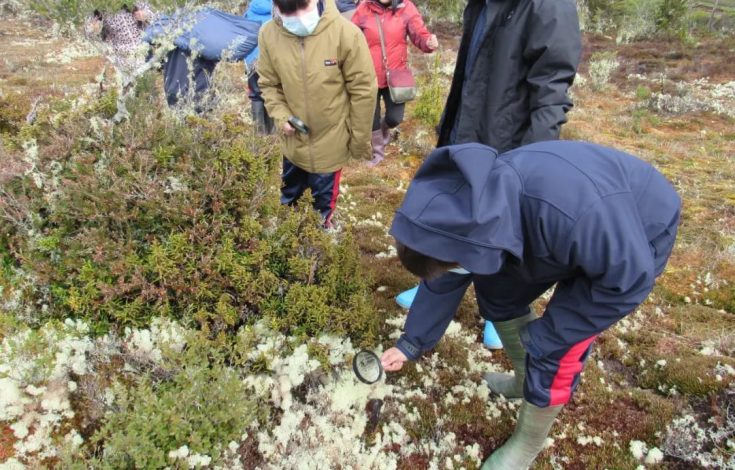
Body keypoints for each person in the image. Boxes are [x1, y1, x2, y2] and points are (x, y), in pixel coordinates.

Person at [382, 141, 681, 468]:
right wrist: (411, 343)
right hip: (556, 224)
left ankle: (527, 443)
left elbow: (626, 282)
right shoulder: (467, 212)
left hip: (633, 231)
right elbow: (447, 274)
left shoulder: (581, 221)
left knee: (557, 345)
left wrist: (547, 337)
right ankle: (523, 381)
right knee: (497, 292)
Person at [394, 0, 582, 350]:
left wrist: (530, 167)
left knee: (501, 230)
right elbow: (472, 73)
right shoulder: (481, 3)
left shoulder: (549, 7)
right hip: (463, 134)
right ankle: (434, 288)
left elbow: (551, 95)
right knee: (453, 218)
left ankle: (503, 310)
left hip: (508, 147)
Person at [257, 0, 377, 228]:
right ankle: (288, 239)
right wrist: (282, 117)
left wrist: (358, 141)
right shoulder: (268, 34)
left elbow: (363, 91)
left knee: (322, 206)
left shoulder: (346, 34)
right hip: (293, 142)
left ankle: (320, 240)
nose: (298, 18)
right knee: (289, 198)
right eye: (288, 11)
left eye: (302, 7)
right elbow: (269, 84)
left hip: (331, 144)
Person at [352, 0, 438, 167]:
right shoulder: (364, 8)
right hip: (368, 75)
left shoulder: (406, 8)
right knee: (371, 117)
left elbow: (419, 34)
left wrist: (428, 42)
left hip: (396, 76)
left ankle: (385, 131)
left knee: (395, 118)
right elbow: (349, 36)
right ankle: (377, 153)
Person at [143, 8, 261, 111]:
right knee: (198, 125)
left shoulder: (164, 28)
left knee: (183, 126)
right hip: (198, 92)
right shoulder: (206, 24)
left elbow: (151, 56)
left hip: (175, 89)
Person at [243, 0, 275, 134]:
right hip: (271, 59)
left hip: (251, 61)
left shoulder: (250, 11)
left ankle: (259, 135)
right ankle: (274, 137)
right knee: (273, 94)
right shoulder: (277, 11)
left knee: (256, 96)